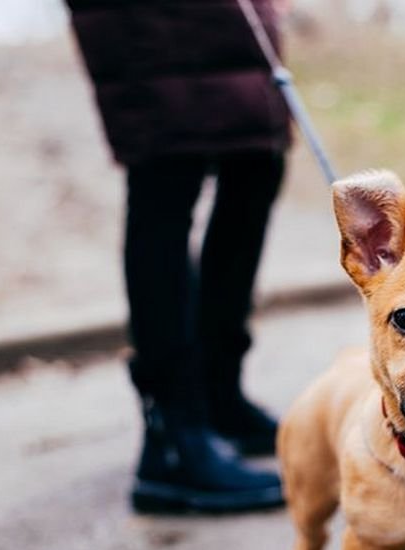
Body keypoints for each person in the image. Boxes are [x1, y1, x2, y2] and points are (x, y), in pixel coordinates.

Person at [66, 0, 291, 513]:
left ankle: (218, 394)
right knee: (166, 178)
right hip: (143, 20)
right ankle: (172, 433)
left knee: (257, 160)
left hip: (226, 16)